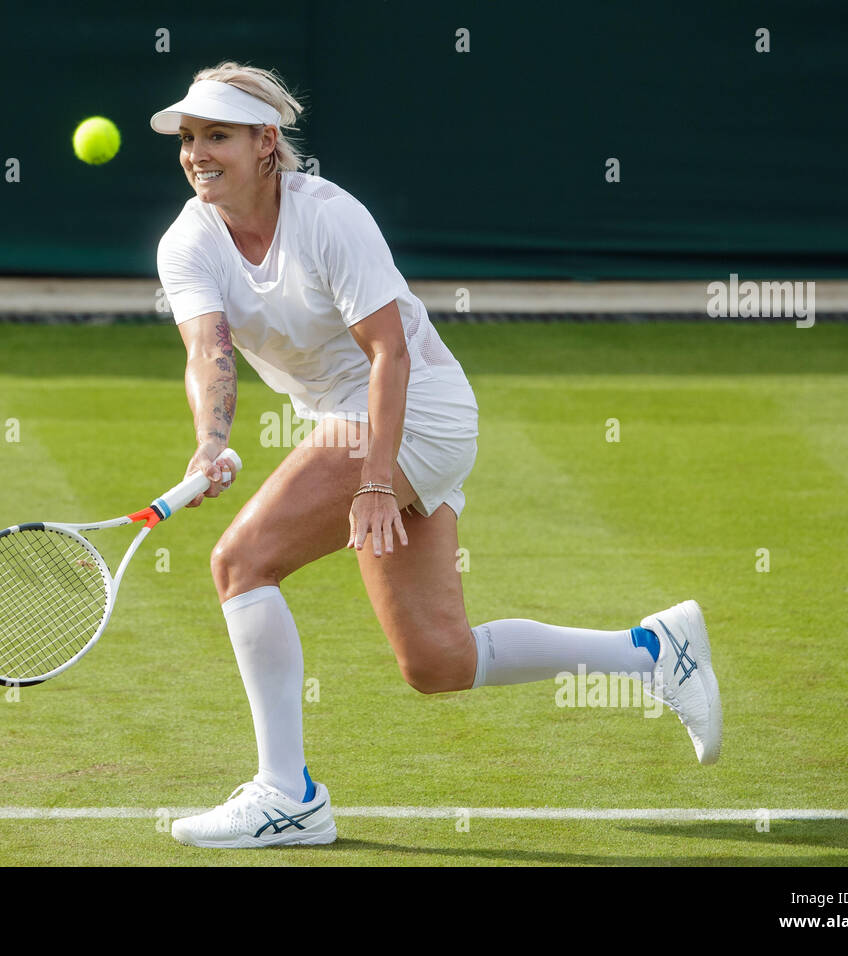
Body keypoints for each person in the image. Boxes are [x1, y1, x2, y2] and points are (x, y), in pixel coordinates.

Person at [151, 62, 722, 849]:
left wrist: (376, 482)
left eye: (216, 135)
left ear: (264, 143)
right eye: (188, 137)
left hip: (416, 411)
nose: (196, 152)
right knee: (437, 662)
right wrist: (210, 442)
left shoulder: (328, 216)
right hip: (358, 425)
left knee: (241, 563)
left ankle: (288, 795)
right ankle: (654, 653)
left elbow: (390, 353)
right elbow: (206, 352)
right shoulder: (188, 239)